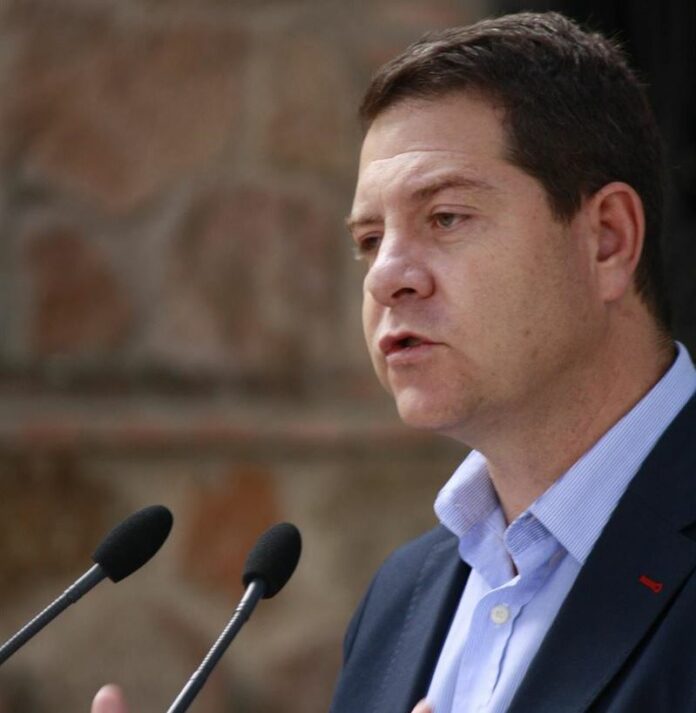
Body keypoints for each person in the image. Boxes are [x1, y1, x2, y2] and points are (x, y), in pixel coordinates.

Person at [91, 11, 696, 713]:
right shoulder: (401, 597)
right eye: (370, 239)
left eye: (446, 217)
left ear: (607, 240)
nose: (385, 277)